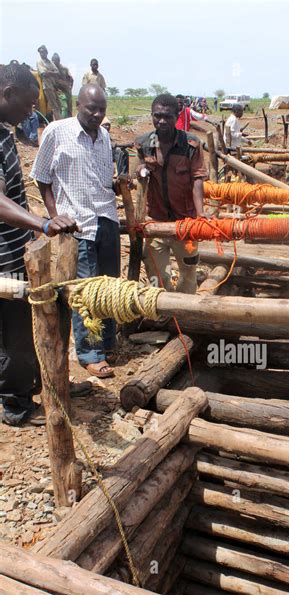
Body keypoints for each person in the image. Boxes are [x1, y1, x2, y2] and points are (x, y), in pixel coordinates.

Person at [0, 62, 79, 426]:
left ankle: (40, 384)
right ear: (7, 94)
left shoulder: (5, 132)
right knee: (14, 333)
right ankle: (15, 405)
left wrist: (31, 232)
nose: (33, 111)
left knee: (31, 321)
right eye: (29, 104)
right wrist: (42, 223)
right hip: (3, 258)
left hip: (17, 248)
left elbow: (15, 193)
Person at [31, 84, 121, 379]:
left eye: (101, 109)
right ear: (78, 106)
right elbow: (42, 178)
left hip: (106, 219)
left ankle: (107, 342)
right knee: (85, 291)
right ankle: (90, 354)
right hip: (78, 225)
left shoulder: (105, 136)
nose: (96, 114)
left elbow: (103, 180)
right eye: (90, 108)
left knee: (108, 287)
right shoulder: (57, 132)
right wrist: (56, 216)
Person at [134, 93, 208, 298]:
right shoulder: (143, 144)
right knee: (156, 275)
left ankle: (184, 315)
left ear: (177, 117)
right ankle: (162, 316)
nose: (161, 121)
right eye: (157, 116)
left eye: (167, 116)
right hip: (155, 222)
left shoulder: (190, 144)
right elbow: (136, 174)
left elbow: (197, 178)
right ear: (151, 115)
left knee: (188, 272)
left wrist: (200, 214)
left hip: (186, 223)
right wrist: (141, 170)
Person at [36, 45, 62, 121]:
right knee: (54, 106)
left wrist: (49, 72)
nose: (42, 54)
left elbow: (57, 72)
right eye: (40, 52)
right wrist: (52, 72)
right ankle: (58, 122)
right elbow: (43, 73)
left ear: (46, 52)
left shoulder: (50, 62)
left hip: (54, 86)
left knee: (59, 105)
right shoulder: (39, 62)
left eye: (43, 52)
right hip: (47, 86)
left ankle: (57, 120)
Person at [51, 53, 73, 117]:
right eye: (52, 60)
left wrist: (70, 87)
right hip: (59, 91)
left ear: (58, 60)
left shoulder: (64, 69)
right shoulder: (52, 70)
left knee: (69, 108)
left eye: (55, 60)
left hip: (67, 90)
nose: (53, 62)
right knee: (64, 107)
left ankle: (70, 122)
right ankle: (63, 122)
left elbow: (71, 79)